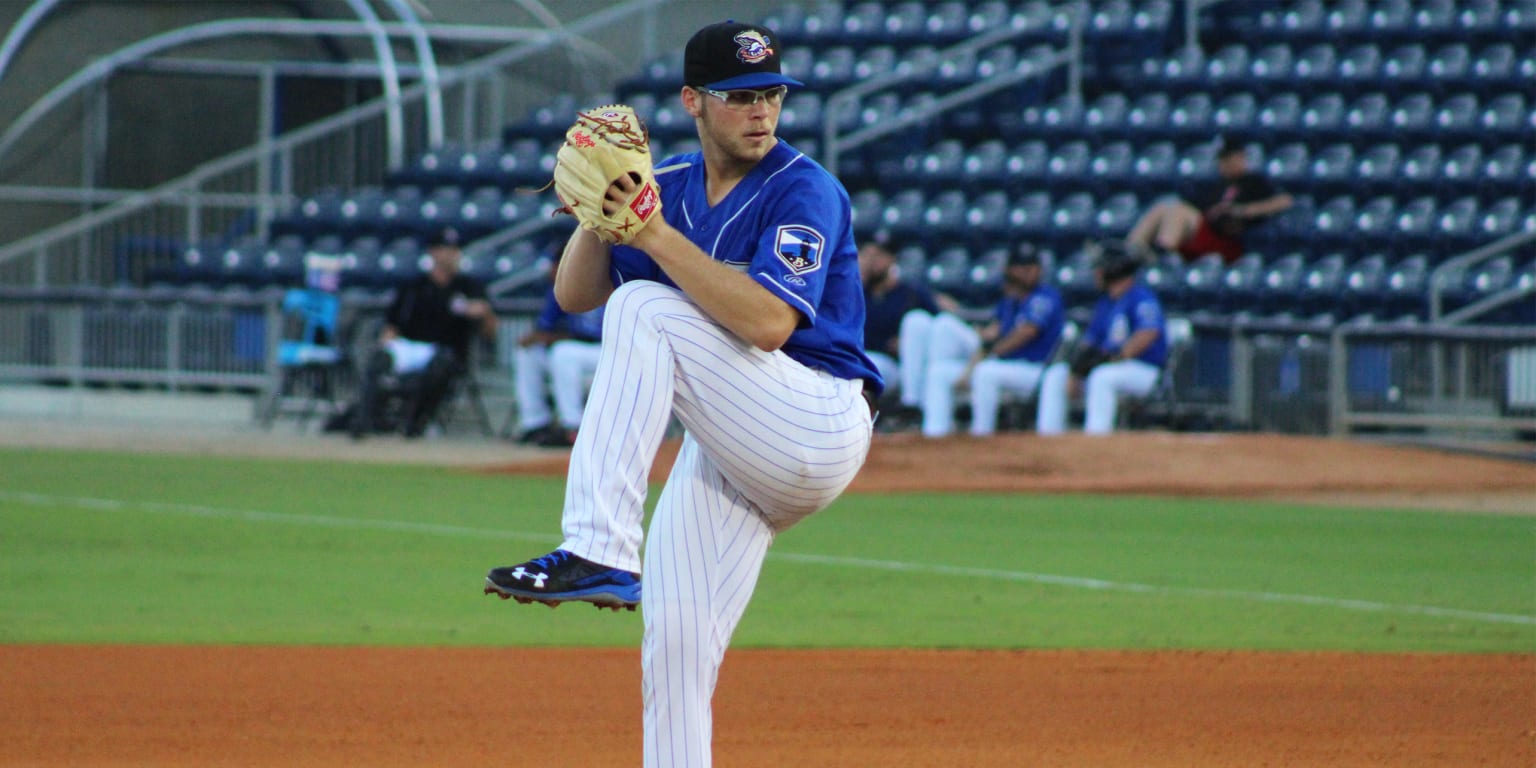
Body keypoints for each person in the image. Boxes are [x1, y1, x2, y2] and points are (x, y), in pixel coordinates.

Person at [483, 20, 879, 768]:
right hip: (732, 446)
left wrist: (653, 235)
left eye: (771, 95)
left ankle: (599, 546)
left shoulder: (805, 189)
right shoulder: (661, 183)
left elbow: (767, 323)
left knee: (643, 309)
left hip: (814, 419)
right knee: (676, 645)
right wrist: (602, 213)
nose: (761, 111)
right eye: (739, 97)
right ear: (694, 101)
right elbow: (573, 296)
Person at [348, 226, 497, 438]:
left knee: (440, 363)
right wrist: (386, 345)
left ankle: (413, 425)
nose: (451, 254)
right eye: (445, 248)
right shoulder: (414, 286)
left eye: (454, 249)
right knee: (379, 358)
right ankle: (363, 422)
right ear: (433, 252)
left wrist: (483, 313)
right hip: (409, 348)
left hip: (445, 352)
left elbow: (490, 332)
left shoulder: (469, 287)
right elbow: (392, 326)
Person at [917, 243, 1066, 438]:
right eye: (1023, 267)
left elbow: (1027, 332)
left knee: (986, 372)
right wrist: (974, 360)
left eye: (1033, 267)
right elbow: (991, 334)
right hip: (1004, 366)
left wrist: (989, 354)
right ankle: (934, 434)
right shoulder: (1010, 301)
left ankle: (982, 435)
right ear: (1011, 270)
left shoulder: (1045, 297)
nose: (1030, 272)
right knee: (940, 372)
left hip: (1035, 370)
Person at [1036, 240, 1167, 435]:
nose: (1096, 273)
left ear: (1114, 269)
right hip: (1113, 367)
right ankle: (1048, 437)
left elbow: (1148, 333)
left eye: (1100, 268)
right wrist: (1077, 371)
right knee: (1057, 375)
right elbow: (1090, 342)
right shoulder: (1106, 303)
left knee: (1101, 377)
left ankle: (1096, 439)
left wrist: (1117, 357)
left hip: (1144, 369)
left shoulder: (1141, 297)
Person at [1126, 138, 1293, 264]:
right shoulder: (1217, 185)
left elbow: (1284, 201)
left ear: (1241, 157)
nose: (1224, 164)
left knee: (1177, 211)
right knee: (1163, 207)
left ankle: (1162, 254)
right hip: (1204, 235)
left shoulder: (1254, 181)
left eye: (1229, 158)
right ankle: (1129, 251)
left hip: (1228, 241)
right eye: (1222, 159)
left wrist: (1242, 210)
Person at [859, 230, 959, 421]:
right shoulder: (859, 293)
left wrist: (907, 345)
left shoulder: (910, 293)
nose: (872, 261)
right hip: (869, 356)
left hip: (898, 366)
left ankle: (912, 405)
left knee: (916, 322)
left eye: (878, 255)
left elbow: (940, 327)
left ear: (891, 260)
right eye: (868, 255)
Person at [511, 268, 604, 448]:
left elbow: (590, 335)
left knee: (563, 352)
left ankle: (572, 425)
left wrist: (551, 338)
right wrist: (538, 338)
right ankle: (535, 423)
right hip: (573, 356)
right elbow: (545, 328)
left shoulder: (603, 284)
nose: (551, 272)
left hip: (606, 352)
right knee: (528, 353)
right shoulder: (558, 291)